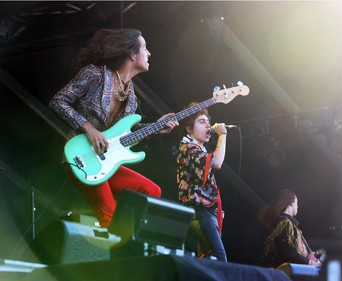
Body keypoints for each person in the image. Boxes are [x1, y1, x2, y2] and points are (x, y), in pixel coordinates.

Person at [49, 28, 179, 228]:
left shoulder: (132, 97)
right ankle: (118, 244)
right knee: (109, 216)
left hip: (107, 161)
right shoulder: (94, 74)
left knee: (152, 191)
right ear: (132, 54)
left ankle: (129, 234)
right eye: (145, 48)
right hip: (82, 158)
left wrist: (155, 127)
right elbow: (58, 101)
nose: (149, 53)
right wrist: (89, 129)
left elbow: (123, 134)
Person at [176, 102, 228, 262]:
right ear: (189, 129)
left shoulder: (198, 150)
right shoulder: (189, 149)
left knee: (209, 258)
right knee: (219, 258)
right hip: (199, 212)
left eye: (208, 121)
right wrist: (223, 135)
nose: (208, 125)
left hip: (206, 211)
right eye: (201, 121)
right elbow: (217, 162)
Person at [258, 189, 326, 268]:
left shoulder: (290, 225)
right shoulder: (284, 223)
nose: (297, 206)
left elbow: (297, 253)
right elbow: (289, 252)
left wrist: (313, 255)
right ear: (290, 203)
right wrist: (311, 263)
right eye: (296, 202)